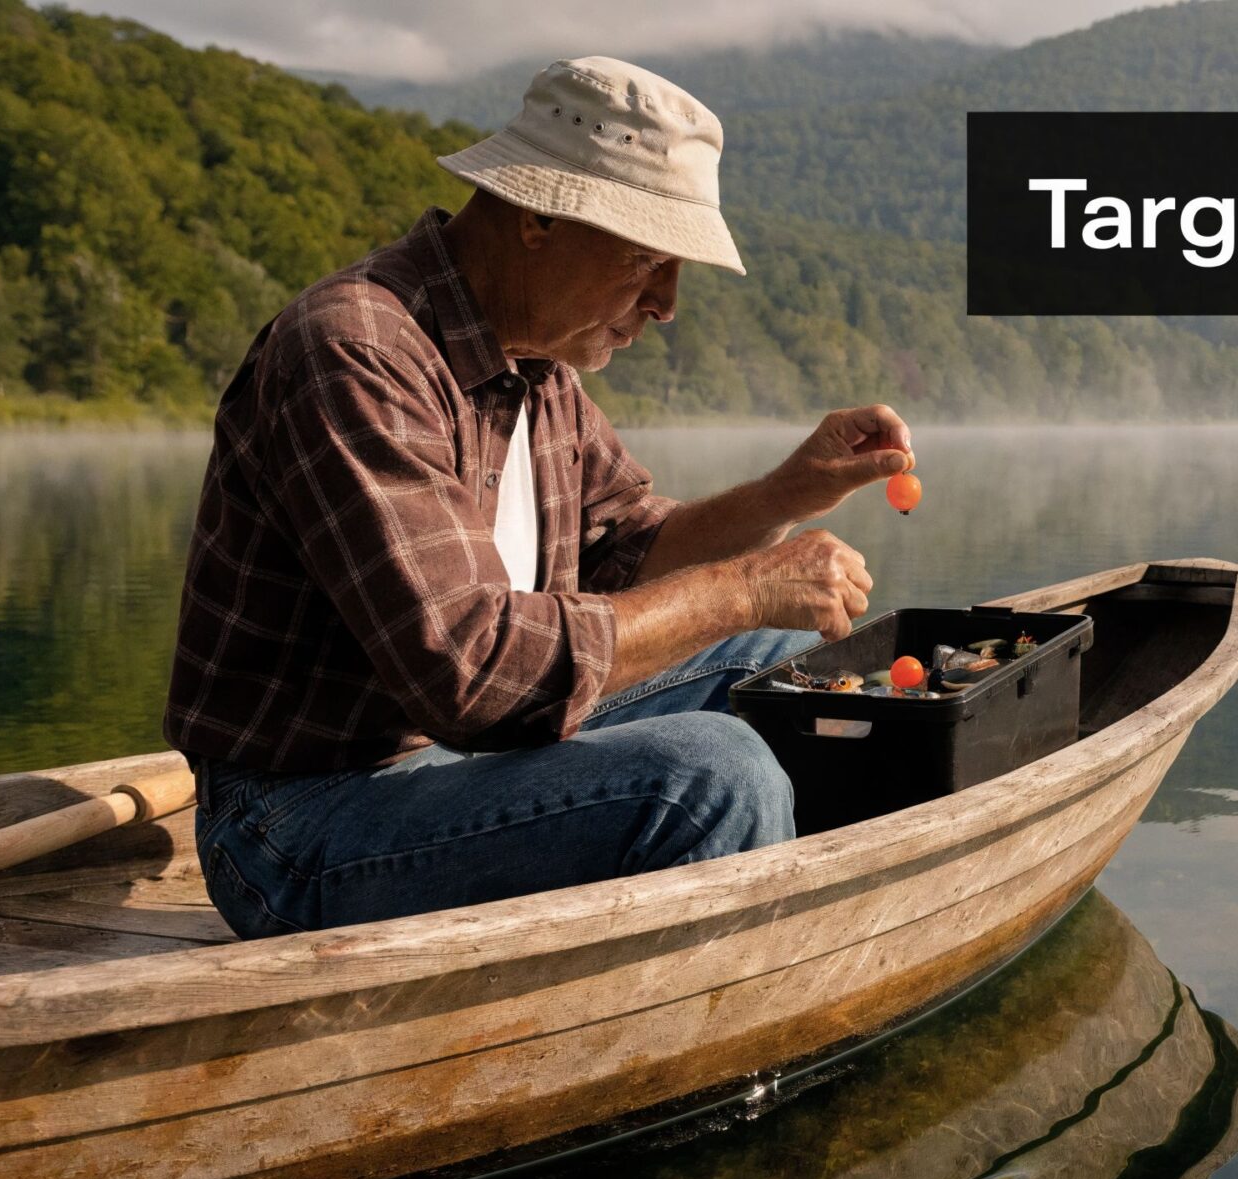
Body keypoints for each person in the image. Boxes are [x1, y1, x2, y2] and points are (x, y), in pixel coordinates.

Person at [162, 56, 908, 939]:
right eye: (647, 261)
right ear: (539, 217)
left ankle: (816, 925)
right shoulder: (356, 352)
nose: (668, 304)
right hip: (295, 826)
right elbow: (472, 675)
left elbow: (632, 551)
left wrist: (788, 494)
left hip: (455, 756)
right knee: (715, 773)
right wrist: (742, 587)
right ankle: (729, 1016)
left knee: (784, 656)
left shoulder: (536, 367)